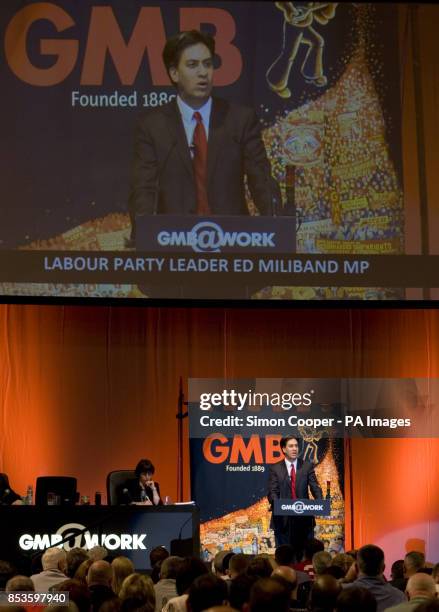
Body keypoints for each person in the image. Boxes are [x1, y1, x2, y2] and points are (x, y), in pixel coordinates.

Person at [128, 29, 281, 240]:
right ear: (174, 73)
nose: (203, 73)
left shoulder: (239, 120)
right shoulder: (152, 126)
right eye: (193, 65)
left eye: (207, 64)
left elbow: (261, 181)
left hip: (233, 243)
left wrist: (277, 230)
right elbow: (143, 189)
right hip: (174, 244)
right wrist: (143, 237)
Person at [267, 436, 322, 561]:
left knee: (305, 557)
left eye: (296, 446)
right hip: (283, 521)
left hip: (304, 520)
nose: (294, 449)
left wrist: (320, 502)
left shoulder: (307, 466)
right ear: (284, 449)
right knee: (285, 558)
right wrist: (277, 505)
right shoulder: (275, 468)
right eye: (291, 446)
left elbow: (315, 487)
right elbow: (272, 491)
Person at [341, 545, 405, 612]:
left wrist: (345, 579)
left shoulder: (341, 593)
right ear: (383, 568)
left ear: (356, 568)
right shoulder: (399, 597)